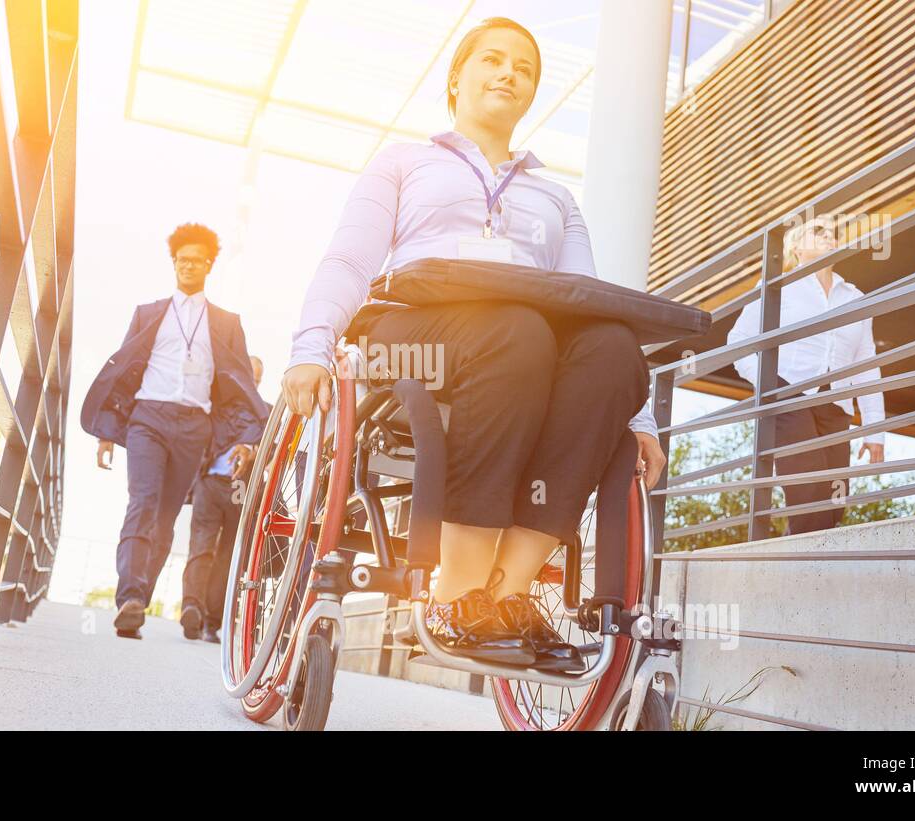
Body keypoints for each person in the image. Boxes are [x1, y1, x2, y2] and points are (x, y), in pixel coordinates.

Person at [280, 18, 666, 673]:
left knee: (611, 350)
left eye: (525, 68)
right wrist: (311, 347)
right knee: (515, 330)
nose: (509, 73)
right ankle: (455, 593)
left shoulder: (554, 197)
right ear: (457, 78)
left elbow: (589, 300)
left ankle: (507, 593)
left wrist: (638, 417)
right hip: (409, 341)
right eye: (493, 59)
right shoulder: (406, 162)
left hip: (521, 350)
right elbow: (349, 261)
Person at [81, 223, 268, 639]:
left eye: (196, 260)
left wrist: (245, 439)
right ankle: (129, 596)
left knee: (165, 516)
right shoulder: (148, 314)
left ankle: (139, 598)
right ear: (174, 263)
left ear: (208, 265)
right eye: (182, 260)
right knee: (142, 501)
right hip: (147, 418)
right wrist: (107, 432)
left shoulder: (226, 323)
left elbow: (240, 387)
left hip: (194, 426)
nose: (188, 266)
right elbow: (123, 375)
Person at [727, 213, 886, 535]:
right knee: (806, 487)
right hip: (789, 394)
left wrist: (875, 431)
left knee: (834, 501)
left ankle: (796, 557)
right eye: (817, 231)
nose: (829, 236)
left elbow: (866, 364)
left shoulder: (855, 299)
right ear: (796, 246)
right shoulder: (778, 287)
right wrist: (769, 383)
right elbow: (738, 341)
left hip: (836, 403)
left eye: (833, 232)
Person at [181, 355, 270, 643]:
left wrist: (254, 451)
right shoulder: (216, 406)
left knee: (229, 556)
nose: (251, 383)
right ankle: (192, 607)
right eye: (248, 377)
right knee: (201, 546)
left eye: (256, 380)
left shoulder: (266, 413)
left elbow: (275, 451)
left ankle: (211, 622)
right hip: (209, 482)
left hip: (239, 488)